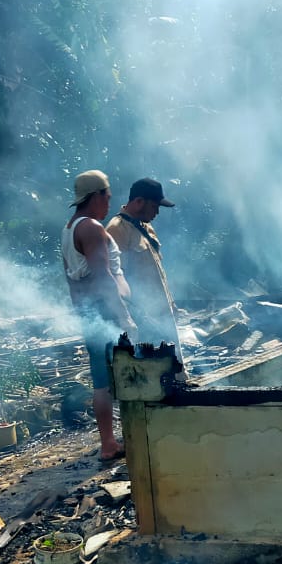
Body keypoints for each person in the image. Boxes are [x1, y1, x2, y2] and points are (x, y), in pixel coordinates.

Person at [62, 170, 137, 462]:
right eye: (107, 196)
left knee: (102, 379)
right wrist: (124, 316)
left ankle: (110, 441)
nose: (109, 202)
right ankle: (113, 442)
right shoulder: (91, 228)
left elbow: (70, 279)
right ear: (96, 196)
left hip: (91, 312)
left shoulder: (69, 228)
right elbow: (104, 277)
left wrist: (81, 311)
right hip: (105, 312)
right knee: (124, 374)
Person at [106, 178, 180, 351]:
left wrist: (171, 304)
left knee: (174, 369)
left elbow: (157, 273)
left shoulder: (146, 228)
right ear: (139, 202)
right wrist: (131, 319)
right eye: (154, 206)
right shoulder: (116, 230)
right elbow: (115, 279)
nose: (157, 212)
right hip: (144, 321)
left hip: (163, 317)